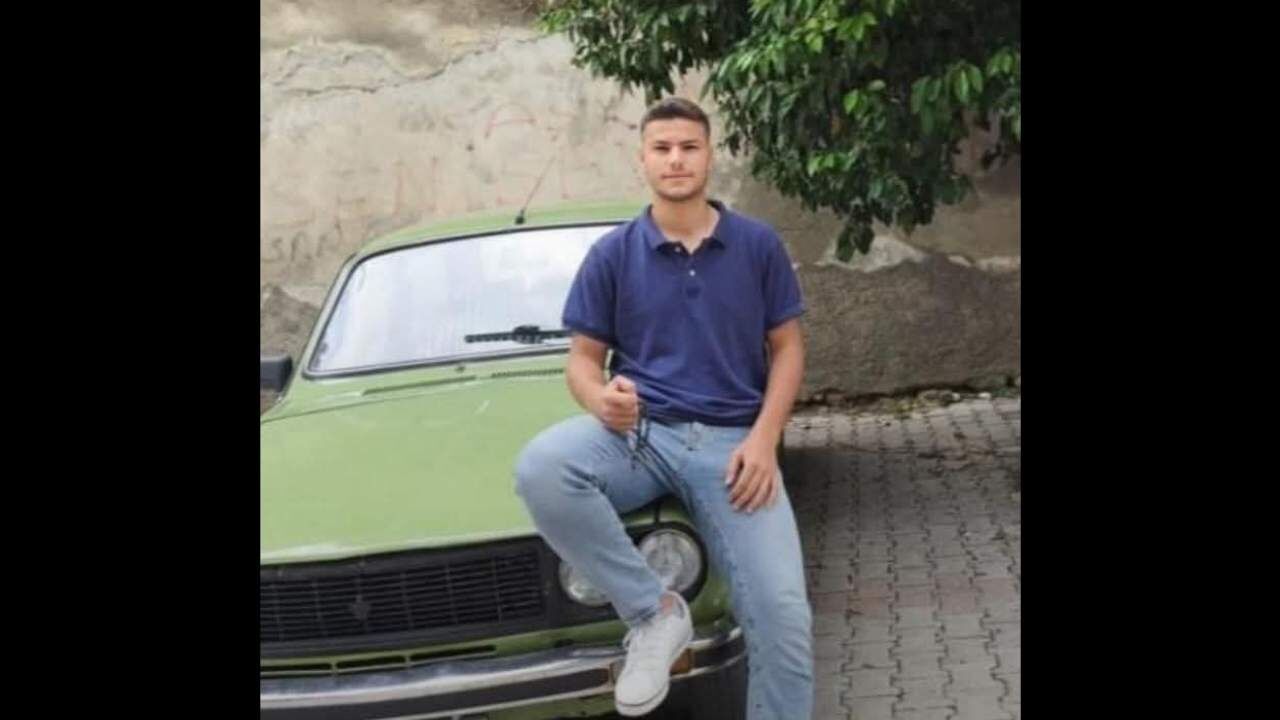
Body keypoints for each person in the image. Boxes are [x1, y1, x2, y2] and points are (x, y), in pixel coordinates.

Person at [514, 96, 814, 719]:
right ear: (643, 159)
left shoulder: (757, 245)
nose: (676, 159)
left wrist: (764, 440)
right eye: (662, 148)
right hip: (642, 438)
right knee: (543, 467)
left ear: (709, 156)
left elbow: (787, 349)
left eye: (688, 147)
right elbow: (582, 361)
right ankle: (654, 612)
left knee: (783, 617)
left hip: (734, 450)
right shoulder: (613, 254)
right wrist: (600, 398)